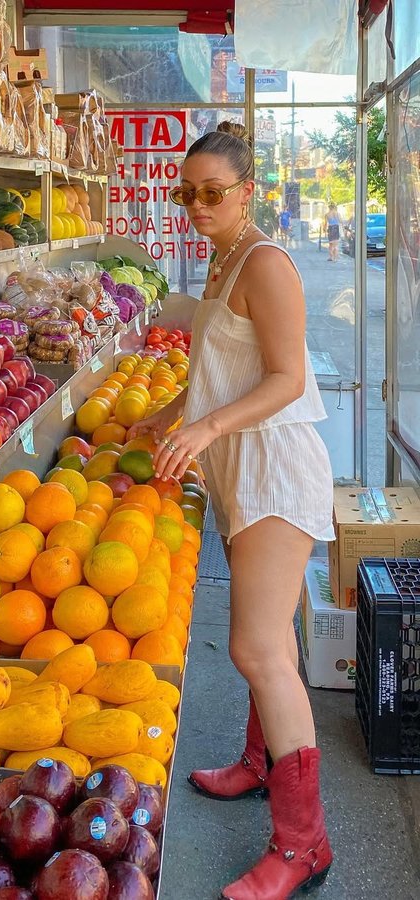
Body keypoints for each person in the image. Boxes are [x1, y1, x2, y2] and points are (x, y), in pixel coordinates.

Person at [132, 121, 335, 900]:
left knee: (257, 651)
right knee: (268, 636)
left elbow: (285, 377)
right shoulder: (221, 262)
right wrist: (174, 411)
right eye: (187, 193)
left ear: (249, 192)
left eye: (213, 193)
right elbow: (226, 366)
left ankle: (304, 843)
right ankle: (261, 762)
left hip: (275, 469)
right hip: (239, 466)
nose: (196, 205)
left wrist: (209, 425)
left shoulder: (267, 262)